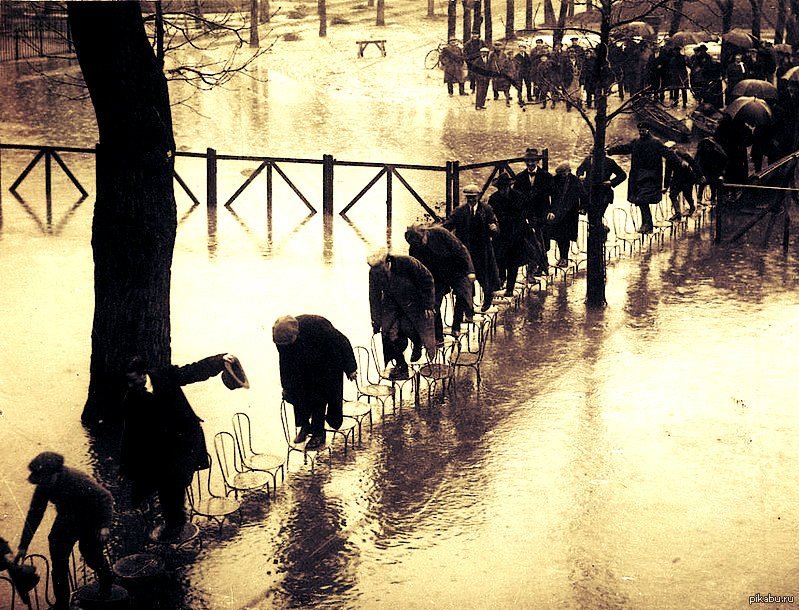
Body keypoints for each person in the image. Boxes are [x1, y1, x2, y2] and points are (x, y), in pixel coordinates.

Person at [121, 352, 245, 540]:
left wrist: (219, 361)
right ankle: (173, 523)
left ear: (143, 373)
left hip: (185, 441)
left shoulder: (165, 375)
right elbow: (130, 433)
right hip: (161, 447)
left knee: (174, 483)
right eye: (128, 382)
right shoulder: (131, 400)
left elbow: (193, 371)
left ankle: (175, 525)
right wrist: (125, 465)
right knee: (165, 484)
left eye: (133, 380)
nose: (131, 386)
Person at [16, 452, 114, 610]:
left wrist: (105, 526)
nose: (43, 484)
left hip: (91, 518)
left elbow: (106, 497)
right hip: (67, 518)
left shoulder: (77, 479)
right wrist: (23, 546)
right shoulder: (44, 485)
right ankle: (62, 603)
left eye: (46, 479)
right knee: (58, 562)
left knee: (91, 555)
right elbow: (34, 515)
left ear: (57, 473)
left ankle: (107, 582)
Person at [273, 315, 357, 450]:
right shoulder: (282, 338)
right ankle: (305, 426)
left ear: (295, 333)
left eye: (289, 343)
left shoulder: (318, 326)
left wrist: (351, 368)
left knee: (318, 397)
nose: (286, 347)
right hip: (306, 365)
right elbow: (285, 363)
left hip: (327, 363)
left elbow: (343, 342)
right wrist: (286, 387)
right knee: (297, 392)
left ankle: (319, 433)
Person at [367, 248, 436, 379]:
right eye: (376, 271)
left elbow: (427, 279)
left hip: (413, 300)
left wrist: (428, 304)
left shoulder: (407, 262)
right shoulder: (374, 272)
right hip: (391, 302)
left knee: (408, 327)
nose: (379, 273)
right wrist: (376, 319)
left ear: (388, 262)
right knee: (387, 333)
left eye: (381, 269)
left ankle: (418, 344)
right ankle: (401, 365)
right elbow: (374, 296)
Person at [607, 121, 682, 233]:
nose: (641, 133)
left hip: (651, 177)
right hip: (638, 177)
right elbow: (625, 148)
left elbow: (669, 154)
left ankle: (647, 225)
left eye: (643, 131)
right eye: (640, 131)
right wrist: (611, 151)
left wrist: (679, 165)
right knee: (641, 201)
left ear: (648, 130)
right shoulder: (636, 142)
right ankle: (646, 224)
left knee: (642, 199)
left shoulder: (656, 142)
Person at [405, 224, 475, 340]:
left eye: (422, 241)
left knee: (463, 294)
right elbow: (416, 270)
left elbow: (461, 249)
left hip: (456, 268)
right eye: (417, 244)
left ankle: (456, 325)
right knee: (433, 304)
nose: (421, 245)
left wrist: (470, 271)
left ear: (425, 233)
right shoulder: (414, 248)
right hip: (437, 275)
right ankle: (438, 336)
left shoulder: (440, 233)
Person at [443, 184, 501, 311]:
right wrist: (438, 231)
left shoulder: (486, 209)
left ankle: (488, 297)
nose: (471, 200)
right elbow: (448, 225)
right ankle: (469, 306)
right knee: (466, 278)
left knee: (484, 275)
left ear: (478, 196)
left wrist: (494, 228)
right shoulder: (459, 211)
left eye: (473, 197)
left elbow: (495, 227)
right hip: (465, 249)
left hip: (482, 249)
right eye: (468, 197)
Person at [488, 172, 544, 295]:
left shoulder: (519, 197)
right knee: (500, 260)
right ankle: (501, 280)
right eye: (500, 188)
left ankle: (510, 288)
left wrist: (530, 226)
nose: (503, 190)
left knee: (513, 262)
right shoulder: (493, 198)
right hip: (501, 235)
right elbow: (490, 215)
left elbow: (528, 213)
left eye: (505, 187)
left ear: (509, 186)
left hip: (517, 234)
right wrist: (492, 226)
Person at [513, 147, 553, 271]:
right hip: (527, 213)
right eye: (528, 161)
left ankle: (542, 263)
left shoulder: (546, 176)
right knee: (530, 240)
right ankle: (533, 266)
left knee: (544, 240)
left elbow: (555, 195)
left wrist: (552, 211)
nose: (530, 164)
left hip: (543, 212)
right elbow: (515, 197)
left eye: (533, 161)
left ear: (537, 162)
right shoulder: (520, 177)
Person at [548, 162, 586, 267]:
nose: (562, 175)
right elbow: (549, 194)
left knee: (566, 236)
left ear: (569, 171)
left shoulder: (574, 180)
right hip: (558, 212)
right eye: (560, 173)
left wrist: (583, 207)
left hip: (571, 213)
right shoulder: (555, 180)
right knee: (559, 236)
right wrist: (551, 210)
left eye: (564, 173)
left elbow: (583, 195)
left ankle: (564, 258)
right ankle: (562, 257)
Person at [576, 150, 628, 218]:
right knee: (592, 217)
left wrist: (611, 182)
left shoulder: (609, 162)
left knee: (597, 217)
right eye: (591, 155)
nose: (592, 157)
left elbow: (622, 175)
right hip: (589, 193)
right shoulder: (588, 160)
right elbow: (579, 170)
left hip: (603, 193)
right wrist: (580, 176)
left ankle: (598, 223)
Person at [663, 141, 705, 219]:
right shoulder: (669, 159)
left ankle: (692, 207)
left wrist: (700, 175)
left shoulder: (684, 155)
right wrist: (665, 186)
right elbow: (667, 173)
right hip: (677, 178)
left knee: (687, 195)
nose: (668, 151)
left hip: (687, 177)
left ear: (674, 148)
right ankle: (678, 213)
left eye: (669, 149)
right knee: (672, 195)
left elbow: (694, 164)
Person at [488, 42, 514, 107]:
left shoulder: (503, 54)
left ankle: (507, 95)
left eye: (499, 46)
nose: (498, 47)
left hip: (502, 71)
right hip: (494, 71)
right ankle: (496, 95)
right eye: (496, 46)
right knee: (495, 83)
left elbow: (506, 62)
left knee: (505, 84)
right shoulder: (492, 54)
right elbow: (489, 63)